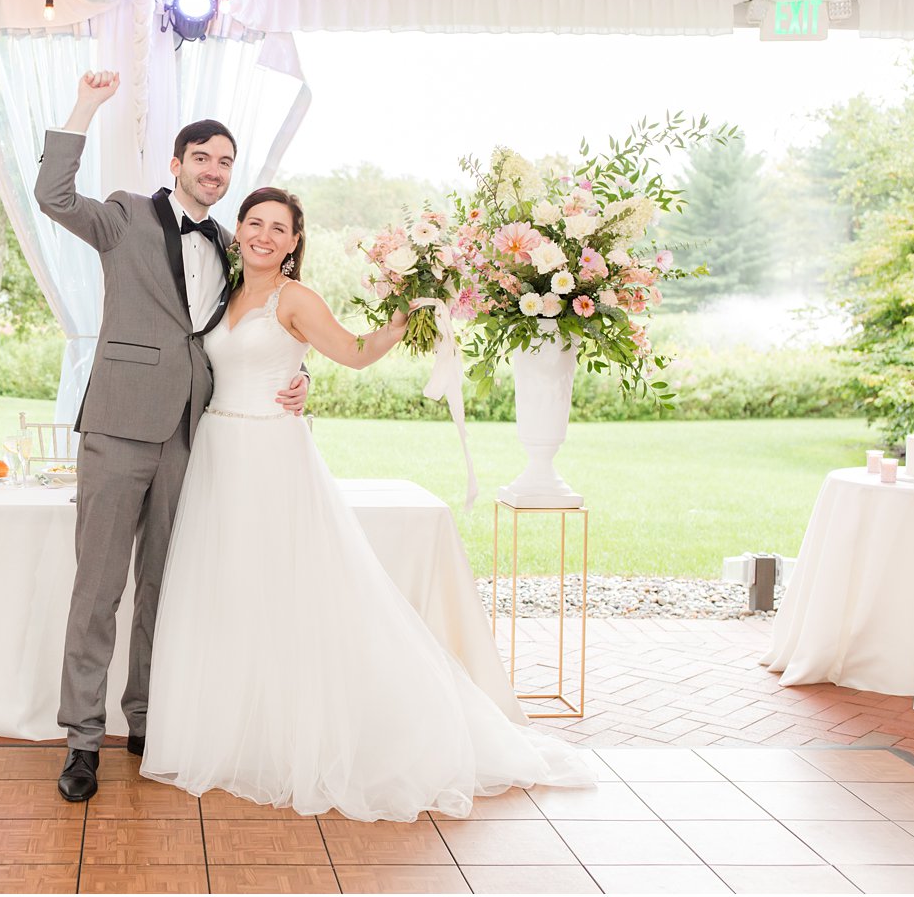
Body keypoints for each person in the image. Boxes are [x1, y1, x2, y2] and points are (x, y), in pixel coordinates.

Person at [139, 186, 595, 821]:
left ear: (296, 241)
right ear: (238, 229)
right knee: (231, 588)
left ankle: (307, 737)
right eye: (255, 223)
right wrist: (294, 377)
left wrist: (404, 320)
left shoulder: (294, 297)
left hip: (271, 455)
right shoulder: (227, 293)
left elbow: (350, 352)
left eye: (280, 228)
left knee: (287, 589)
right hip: (219, 448)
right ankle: (241, 730)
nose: (264, 235)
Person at [33, 71, 310, 802]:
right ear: (177, 163)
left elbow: (255, 333)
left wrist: (300, 376)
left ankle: (146, 720)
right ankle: (82, 740)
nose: (214, 172)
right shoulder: (124, 214)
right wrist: (85, 105)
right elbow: (53, 198)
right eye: (203, 158)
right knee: (98, 587)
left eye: (225, 163)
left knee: (163, 586)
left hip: (192, 435)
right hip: (120, 426)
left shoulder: (229, 242)